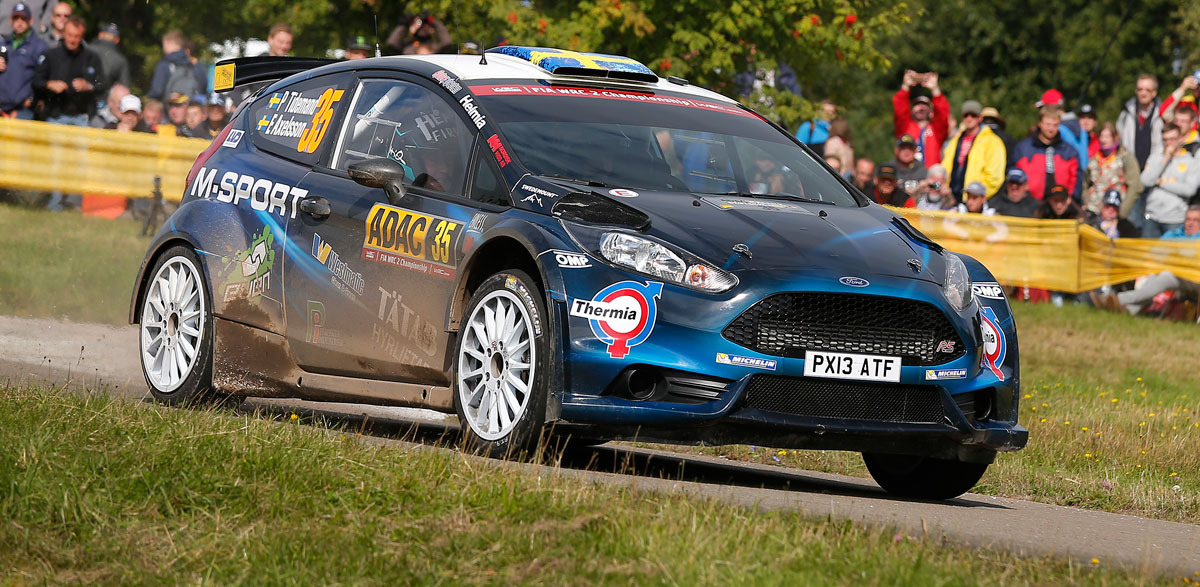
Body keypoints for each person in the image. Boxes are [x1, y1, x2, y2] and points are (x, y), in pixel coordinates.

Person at [1092, 206, 1200, 314]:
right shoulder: (1172, 235)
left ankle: (1116, 299)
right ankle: (1129, 310)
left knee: (1166, 276)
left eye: (1196, 220)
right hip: (1169, 274)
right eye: (1188, 219)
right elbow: (1154, 255)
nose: (1191, 223)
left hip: (1194, 281)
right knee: (1154, 277)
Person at [32, 15, 99, 124]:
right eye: (70, 35)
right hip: (55, 116)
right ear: (63, 34)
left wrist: (88, 86)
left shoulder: (91, 57)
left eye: (77, 36)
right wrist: (49, 84)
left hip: (81, 117)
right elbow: (36, 81)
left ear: (82, 37)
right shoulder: (50, 55)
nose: (73, 40)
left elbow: (103, 83)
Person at [1140, 123, 1200, 237]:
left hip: (1175, 219)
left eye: (1172, 139)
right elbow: (1145, 180)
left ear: (1181, 139)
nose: (1168, 143)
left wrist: (1162, 183)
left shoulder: (1190, 161)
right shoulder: (1156, 157)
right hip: (1151, 216)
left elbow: (1189, 190)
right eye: (1165, 139)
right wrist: (1165, 158)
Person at [1011, 105, 1082, 201]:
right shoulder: (1023, 148)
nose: (1051, 129)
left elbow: (1076, 179)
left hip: (1060, 205)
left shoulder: (1069, 151)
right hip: (1029, 205)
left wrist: (1071, 199)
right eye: (1047, 124)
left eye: (1055, 125)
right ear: (1040, 123)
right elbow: (1014, 176)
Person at [942, 100, 1006, 200]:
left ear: (980, 118)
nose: (969, 119)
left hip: (975, 200)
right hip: (950, 197)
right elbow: (945, 167)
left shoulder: (993, 141)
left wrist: (978, 196)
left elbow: (995, 177)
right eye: (966, 115)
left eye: (973, 115)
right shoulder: (955, 140)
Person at [1084, 122, 1143, 221]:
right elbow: (1085, 183)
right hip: (1094, 210)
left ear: (1115, 137)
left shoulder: (1125, 157)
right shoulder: (1094, 159)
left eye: (1107, 136)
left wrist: (1123, 212)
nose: (1103, 140)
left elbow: (1136, 186)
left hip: (1116, 212)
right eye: (1101, 136)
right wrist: (1086, 201)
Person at [0, 2, 49, 119]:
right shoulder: (3, 44)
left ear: (31, 21)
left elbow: (44, 77)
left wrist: (34, 98)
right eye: (16, 18)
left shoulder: (40, 46)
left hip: (23, 111)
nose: (19, 22)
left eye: (23, 18)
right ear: (11, 21)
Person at [892, 69, 949, 167]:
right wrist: (905, 86)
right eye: (917, 105)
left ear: (931, 111)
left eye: (925, 105)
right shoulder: (905, 127)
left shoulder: (936, 130)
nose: (921, 108)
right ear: (912, 109)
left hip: (930, 174)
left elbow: (943, 114)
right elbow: (899, 110)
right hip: (907, 173)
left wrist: (935, 89)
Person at [1117, 74, 1163, 171]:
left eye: (1147, 90)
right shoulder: (1125, 115)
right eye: (1140, 89)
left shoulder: (1162, 115)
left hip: (1154, 170)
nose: (1143, 93)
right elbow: (1118, 143)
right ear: (1136, 91)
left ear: (1154, 93)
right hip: (1130, 171)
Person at [147, 30, 205, 101]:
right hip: (191, 107)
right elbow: (202, 87)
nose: (163, 48)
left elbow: (157, 90)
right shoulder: (194, 64)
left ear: (170, 43)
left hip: (171, 108)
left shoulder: (165, 64)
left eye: (164, 44)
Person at [89, 22, 128, 100]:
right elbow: (124, 89)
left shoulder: (86, 49)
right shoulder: (121, 60)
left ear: (100, 35)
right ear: (117, 40)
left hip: (78, 102)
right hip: (104, 104)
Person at [386, 12, 451, 55]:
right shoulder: (408, 47)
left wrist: (432, 20)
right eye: (419, 24)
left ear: (432, 30)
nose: (421, 27)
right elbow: (392, 43)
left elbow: (447, 42)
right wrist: (404, 25)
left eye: (425, 25)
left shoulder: (434, 46)